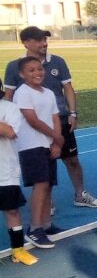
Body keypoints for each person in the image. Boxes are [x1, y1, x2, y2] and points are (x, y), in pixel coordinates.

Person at [4, 26, 97, 209]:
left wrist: (72, 113)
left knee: (72, 160)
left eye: (45, 39)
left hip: (60, 121)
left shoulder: (58, 61)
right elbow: (8, 96)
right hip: (32, 128)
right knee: (42, 166)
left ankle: (80, 195)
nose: (44, 43)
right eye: (39, 40)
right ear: (26, 43)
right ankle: (46, 201)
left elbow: (68, 88)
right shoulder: (14, 67)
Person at [12, 57, 62, 249]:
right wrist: (56, 137)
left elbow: (55, 117)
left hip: (48, 144)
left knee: (48, 185)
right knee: (40, 184)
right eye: (31, 70)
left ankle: (46, 224)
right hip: (31, 145)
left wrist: (56, 142)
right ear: (22, 74)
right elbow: (32, 120)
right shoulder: (23, 93)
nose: (37, 73)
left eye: (39, 69)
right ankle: (34, 228)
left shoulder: (48, 93)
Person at [0, 96, 36, 264]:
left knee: (12, 211)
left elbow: (10, 132)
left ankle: (18, 250)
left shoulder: (10, 108)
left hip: (5, 171)